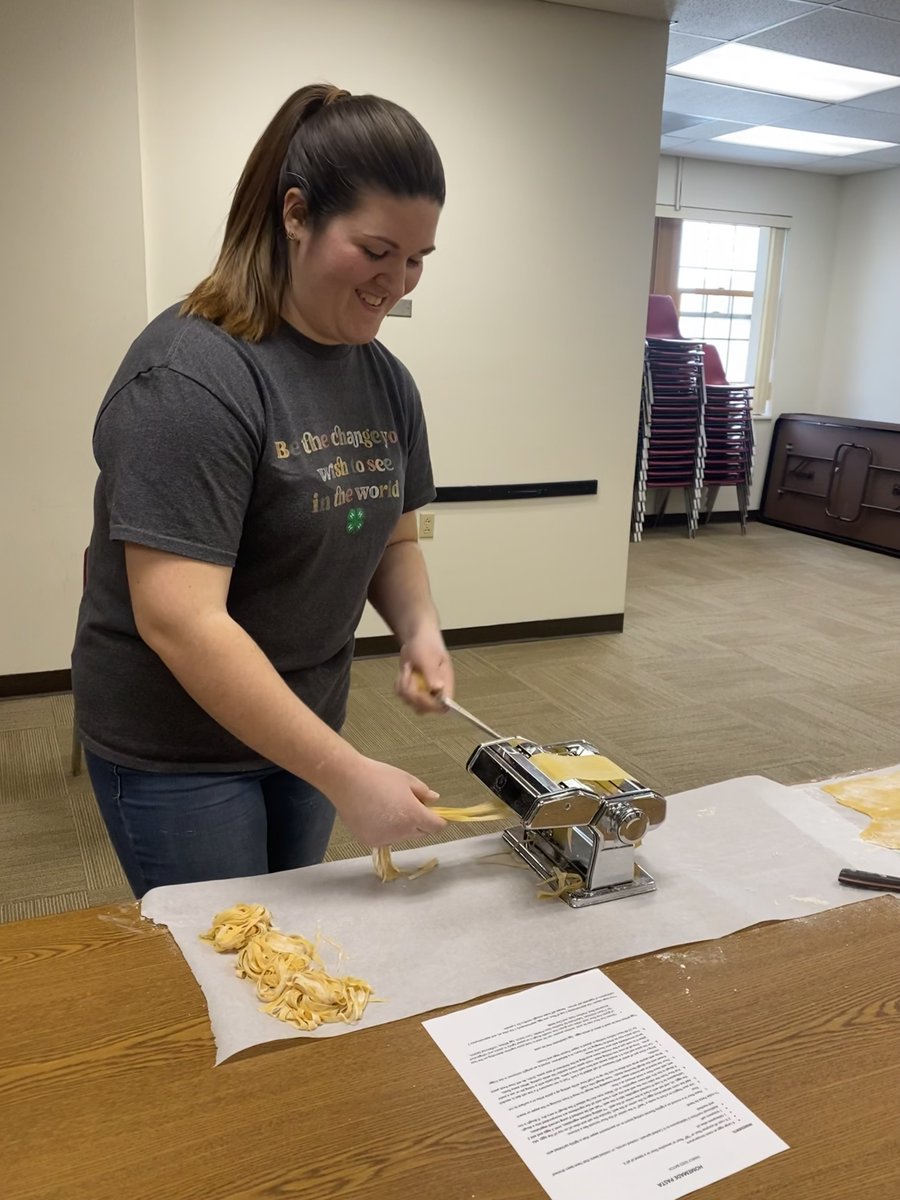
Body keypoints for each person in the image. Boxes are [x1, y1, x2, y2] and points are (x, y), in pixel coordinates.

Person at [72, 83, 453, 898]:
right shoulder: (192, 375)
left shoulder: (386, 381)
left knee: (295, 949)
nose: (399, 281)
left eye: (418, 258)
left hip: (305, 718)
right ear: (295, 214)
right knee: (232, 958)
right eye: (378, 250)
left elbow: (389, 533)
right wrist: (349, 775)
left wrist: (420, 630)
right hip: (179, 746)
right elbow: (181, 617)